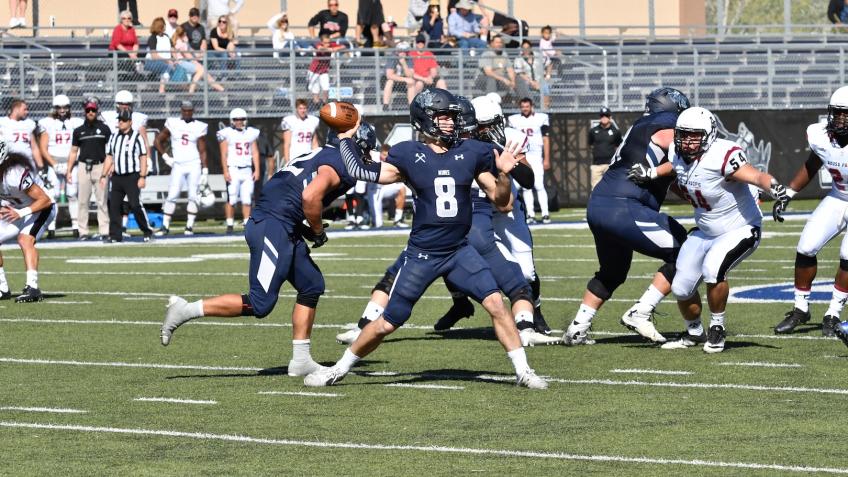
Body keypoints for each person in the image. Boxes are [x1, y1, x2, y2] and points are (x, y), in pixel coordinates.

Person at [305, 87, 547, 389]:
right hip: (423, 253)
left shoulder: (471, 151)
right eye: (444, 117)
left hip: (460, 249)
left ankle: (523, 371)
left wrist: (504, 175)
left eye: (452, 117)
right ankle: (338, 369)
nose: (451, 123)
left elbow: (502, 202)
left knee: (497, 303)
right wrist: (344, 139)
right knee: (388, 323)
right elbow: (360, 170)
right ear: (426, 119)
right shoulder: (407, 153)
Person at [160, 124, 368, 379]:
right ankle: (185, 309)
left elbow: (288, 191)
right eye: (364, 152)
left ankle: (301, 360)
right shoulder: (338, 163)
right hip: (273, 225)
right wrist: (317, 231)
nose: (365, 160)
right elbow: (311, 197)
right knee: (260, 303)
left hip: (280, 222)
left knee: (311, 284)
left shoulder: (318, 153)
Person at [631, 107, 788, 353]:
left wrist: (776, 189)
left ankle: (717, 328)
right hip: (705, 230)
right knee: (681, 287)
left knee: (713, 269)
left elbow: (757, 177)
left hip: (740, 227)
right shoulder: (677, 150)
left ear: (710, 135)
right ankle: (694, 333)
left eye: (694, 135)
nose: (687, 141)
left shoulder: (722, 154)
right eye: (683, 135)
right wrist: (651, 172)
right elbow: (673, 167)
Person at [563, 87, 691, 346]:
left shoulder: (641, 126)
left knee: (612, 272)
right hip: (624, 205)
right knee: (688, 251)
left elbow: (668, 174)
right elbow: (679, 150)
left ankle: (578, 327)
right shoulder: (665, 125)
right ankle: (641, 311)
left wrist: (693, 195)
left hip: (599, 204)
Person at [774, 86, 848, 337]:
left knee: (847, 255)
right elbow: (813, 163)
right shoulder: (821, 136)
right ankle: (800, 308)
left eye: (846, 115)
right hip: (838, 196)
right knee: (806, 247)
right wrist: (790, 193)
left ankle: (833, 313)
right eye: (837, 114)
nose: (839, 120)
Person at [0, 143, 56, 303]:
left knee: (25, 239)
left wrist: (20, 212)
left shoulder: (14, 174)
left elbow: (44, 199)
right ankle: (2, 288)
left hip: (42, 207)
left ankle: (33, 287)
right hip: (15, 209)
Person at [154, 101, 208, 236]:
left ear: (193, 111)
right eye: (185, 110)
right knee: (172, 195)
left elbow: (202, 150)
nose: (187, 113)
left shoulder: (199, 126)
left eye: (189, 110)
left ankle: (189, 226)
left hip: (194, 164)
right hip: (178, 164)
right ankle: (165, 226)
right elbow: (158, 141)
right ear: (181, 110)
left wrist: (205, 169)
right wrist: (166, 157)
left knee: (193, 196)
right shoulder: (173, 123)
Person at [101, 109, 153, 243]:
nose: (120, 122)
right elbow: (109, 157)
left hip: (132, 176)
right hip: (117, 177)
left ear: (130, 122)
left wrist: (142, 176)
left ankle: (147, 231)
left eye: (123, 120)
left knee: (135, 204)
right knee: (114, 206)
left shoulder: (136, 136)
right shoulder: (113, 137)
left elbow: (143, 156)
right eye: (119, 120)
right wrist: (103, 175)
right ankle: (115, 235)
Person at [38, 94, 84, 239]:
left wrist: (69, 166)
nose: (62, 110)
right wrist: (54, 164)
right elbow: (43, 148)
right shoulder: (48, 123)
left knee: (72, 194)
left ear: (69, 107)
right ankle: (51, 227)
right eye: (59, 107)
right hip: (54, 163)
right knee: (54, 196)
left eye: (65, 107)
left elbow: (79, 145)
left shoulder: (76, 122)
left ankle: (76, 226)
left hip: (72, 163)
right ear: (55, 108)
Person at [66, 101, 111, 241]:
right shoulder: (78, 131)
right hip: (83, 167)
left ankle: (104, 231)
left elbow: (110, 150)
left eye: (93, 110)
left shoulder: (104, 129)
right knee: (82, 201)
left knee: (102, 200)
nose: (90, 112)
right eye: (88, 110)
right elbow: (74, 151)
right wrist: (68, 170)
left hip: (100, 166)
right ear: (84, 112)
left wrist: (110, 167)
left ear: (97, 111)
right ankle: (83, 232)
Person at [218, 108, 260, 234]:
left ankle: (247, 223)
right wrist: (225, 171)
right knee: (232, 197)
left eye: (241, 119)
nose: (239, 122)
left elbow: (255, 152)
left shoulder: (251, 133)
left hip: (247, 169)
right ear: (232, 120)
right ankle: (230, 224)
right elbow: (223, 154)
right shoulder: (226, 133)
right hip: (233, 169)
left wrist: (257, 169)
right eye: (236, 119)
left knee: (247, 198)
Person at [509, 97, 550, 224]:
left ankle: (545, 213)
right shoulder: (513, 119)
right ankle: (531, 214)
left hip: (536, 156)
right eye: (523, 107)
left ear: (531, 106)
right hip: (522, 155)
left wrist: (547, 158)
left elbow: (546, 139)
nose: (525, 109)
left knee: (539, 185)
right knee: (526, 187)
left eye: (527, 106)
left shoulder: (541, 117)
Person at [173, 25, 225, 94]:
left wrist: (197, 55)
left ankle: (221, 89)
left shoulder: (182, 42)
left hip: (186, 62)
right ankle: (191, 90)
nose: (186, 35)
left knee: (204, 72)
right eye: (185, 34)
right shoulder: (180, 43)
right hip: (182, 63)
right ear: (182, 34)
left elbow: (190, 51)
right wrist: (195, 60)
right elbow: (187, 55)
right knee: (201, 70)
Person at [0, 99, 42, 170]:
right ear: (16, 109)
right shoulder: (3, 122)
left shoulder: (28, 123)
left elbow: (34, 147)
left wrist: (40, 165)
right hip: (10, 164)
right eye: (24, 109)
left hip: (28, 163)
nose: (27, 112)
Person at [587, 106, 622, 189]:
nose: (604, 118)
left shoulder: (615, 132)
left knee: (611, 188)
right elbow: (590, 144)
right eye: (602, 116)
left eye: (606, 116)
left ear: (610, 117)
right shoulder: (593, 131)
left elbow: (618, 147)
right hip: (596, 165)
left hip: (609, 165)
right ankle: (596, 202)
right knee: (595, 189)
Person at [307, 34, 346, 107]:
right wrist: (330, 49)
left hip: (324, 71)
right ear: (321, 42)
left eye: (328, 42)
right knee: (316, 90)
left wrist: (335, 48)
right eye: (325, 42)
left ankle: (325, 104)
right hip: (314, 71)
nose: (327, 44)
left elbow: (343, 46)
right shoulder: (318, 44)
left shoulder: (331, 45)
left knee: (326, 88)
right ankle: (317, 104)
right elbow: (319, 48)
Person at [281, 99, 320, 165]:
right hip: (294, 157)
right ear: (296, 109)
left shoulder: (312, 121)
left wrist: (316, 158)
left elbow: (314, 143)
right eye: (300, 108)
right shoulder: (290, 121)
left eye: (304, 108)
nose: (303, 111)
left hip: (308, 156)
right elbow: (287, 144)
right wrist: (287, 162)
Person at [479, 36, 517, 101]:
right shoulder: (487, 54)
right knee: (491, 79)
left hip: (500, 79)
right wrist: (504, 80)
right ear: (492, 44)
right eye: (497, 42)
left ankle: (526, 102)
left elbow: (510, 69)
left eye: (500, 42)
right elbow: (488, 72)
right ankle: (491, 102)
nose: (499, 44)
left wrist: (513, 81)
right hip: (483, 79)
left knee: (519, 79)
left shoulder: (504, 54)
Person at [145, 17, 175, 94]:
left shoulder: (167, 37)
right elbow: (154, 56)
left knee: (178, 67)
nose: (165, 27)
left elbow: (172, 50)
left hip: (167, 62)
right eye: (164, 25)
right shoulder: (153, 38)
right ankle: (161, 89)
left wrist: (176, 59)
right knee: (167, 67)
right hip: (152, 62)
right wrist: (167, 61)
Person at [514, 40, 548, 108]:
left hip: (540, 80)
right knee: (522, 85)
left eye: (528, 47)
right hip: (527, 81)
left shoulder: (538, 55)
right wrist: (532, 82)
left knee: (546, 87)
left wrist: (548, 75)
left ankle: (545, 109)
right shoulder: (518, 59)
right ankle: (532, 106)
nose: (526, 49)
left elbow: (549, 63)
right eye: (524, 47)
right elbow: (520, 74)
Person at [382, 41, 415, 109]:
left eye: (404, 51)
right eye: (400, 51)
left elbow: (410, 75)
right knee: (389, 82)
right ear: (397, 51)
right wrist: (405, 79)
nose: (402, 53)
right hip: (391, 80)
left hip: (402, 82)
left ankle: (411, 106)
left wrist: (404, 64)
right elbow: (389, 75)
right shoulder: (392, 57)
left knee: (411, 82)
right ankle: (386, 105)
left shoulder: (409, 58)